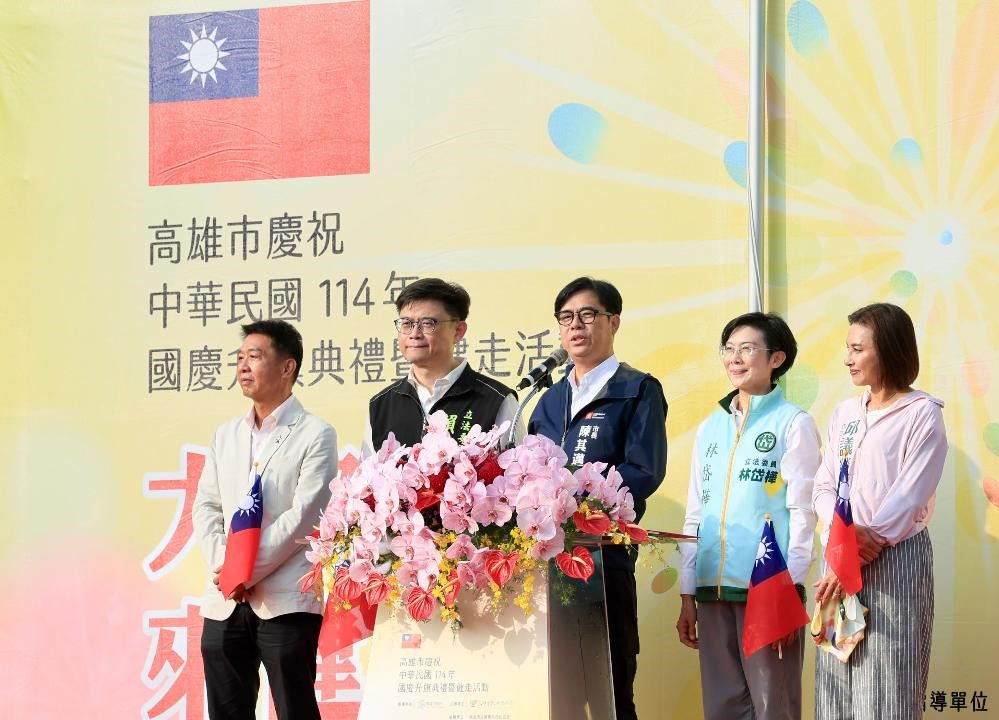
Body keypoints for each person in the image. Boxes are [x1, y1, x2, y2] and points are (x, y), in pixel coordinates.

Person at [528, 276, 667, 720]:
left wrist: (579, 507)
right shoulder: (548, 400)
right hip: (548, 564)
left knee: (610, 691)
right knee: (558, 695)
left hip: (604, 559)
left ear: (614, 321)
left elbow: (644, 469)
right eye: (566, 317)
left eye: (588, 314)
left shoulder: (637, 389)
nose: (576, 325)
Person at [677, 312, 821, 720]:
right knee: (721, 707)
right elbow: (695, 512)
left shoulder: (793, 423)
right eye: (728, 349)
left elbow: (803, 512)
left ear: (777, 358)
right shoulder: (710, 427)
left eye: (746, 349)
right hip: (711, 590)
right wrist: (687, 592)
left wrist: (791, 588)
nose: (734, 358)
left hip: (767, 589)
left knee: (774, 705)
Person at [193, 320, 338, 720]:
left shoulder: (316, 433)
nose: (243, 366)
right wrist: (227, 569)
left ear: (287, 367)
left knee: (295, 709)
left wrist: (245, 571)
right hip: (225, 601)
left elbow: (305, 516)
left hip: (285, 598)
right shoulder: (225, 435)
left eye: (254, 357)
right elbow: (206, 507)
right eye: (240, 358)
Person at [812, 303, 947, 719]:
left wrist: (859, 543)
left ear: (888, 349)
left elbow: (909, 495)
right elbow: (823, 485)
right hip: (839, 558)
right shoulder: (845, 413)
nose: (847, 359)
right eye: (847, 348)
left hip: (894, 560)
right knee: (835, 682)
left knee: (888, 683)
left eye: (857, 349)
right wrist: (844, 541)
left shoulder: (922, 414)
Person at [363, 277, 523, 455]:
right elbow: (368, 470)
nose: (414, 334)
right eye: (406, 324)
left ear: (458, 331)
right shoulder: (381, 405)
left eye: (427, 323)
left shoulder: (496, 400)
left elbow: (516, 466)